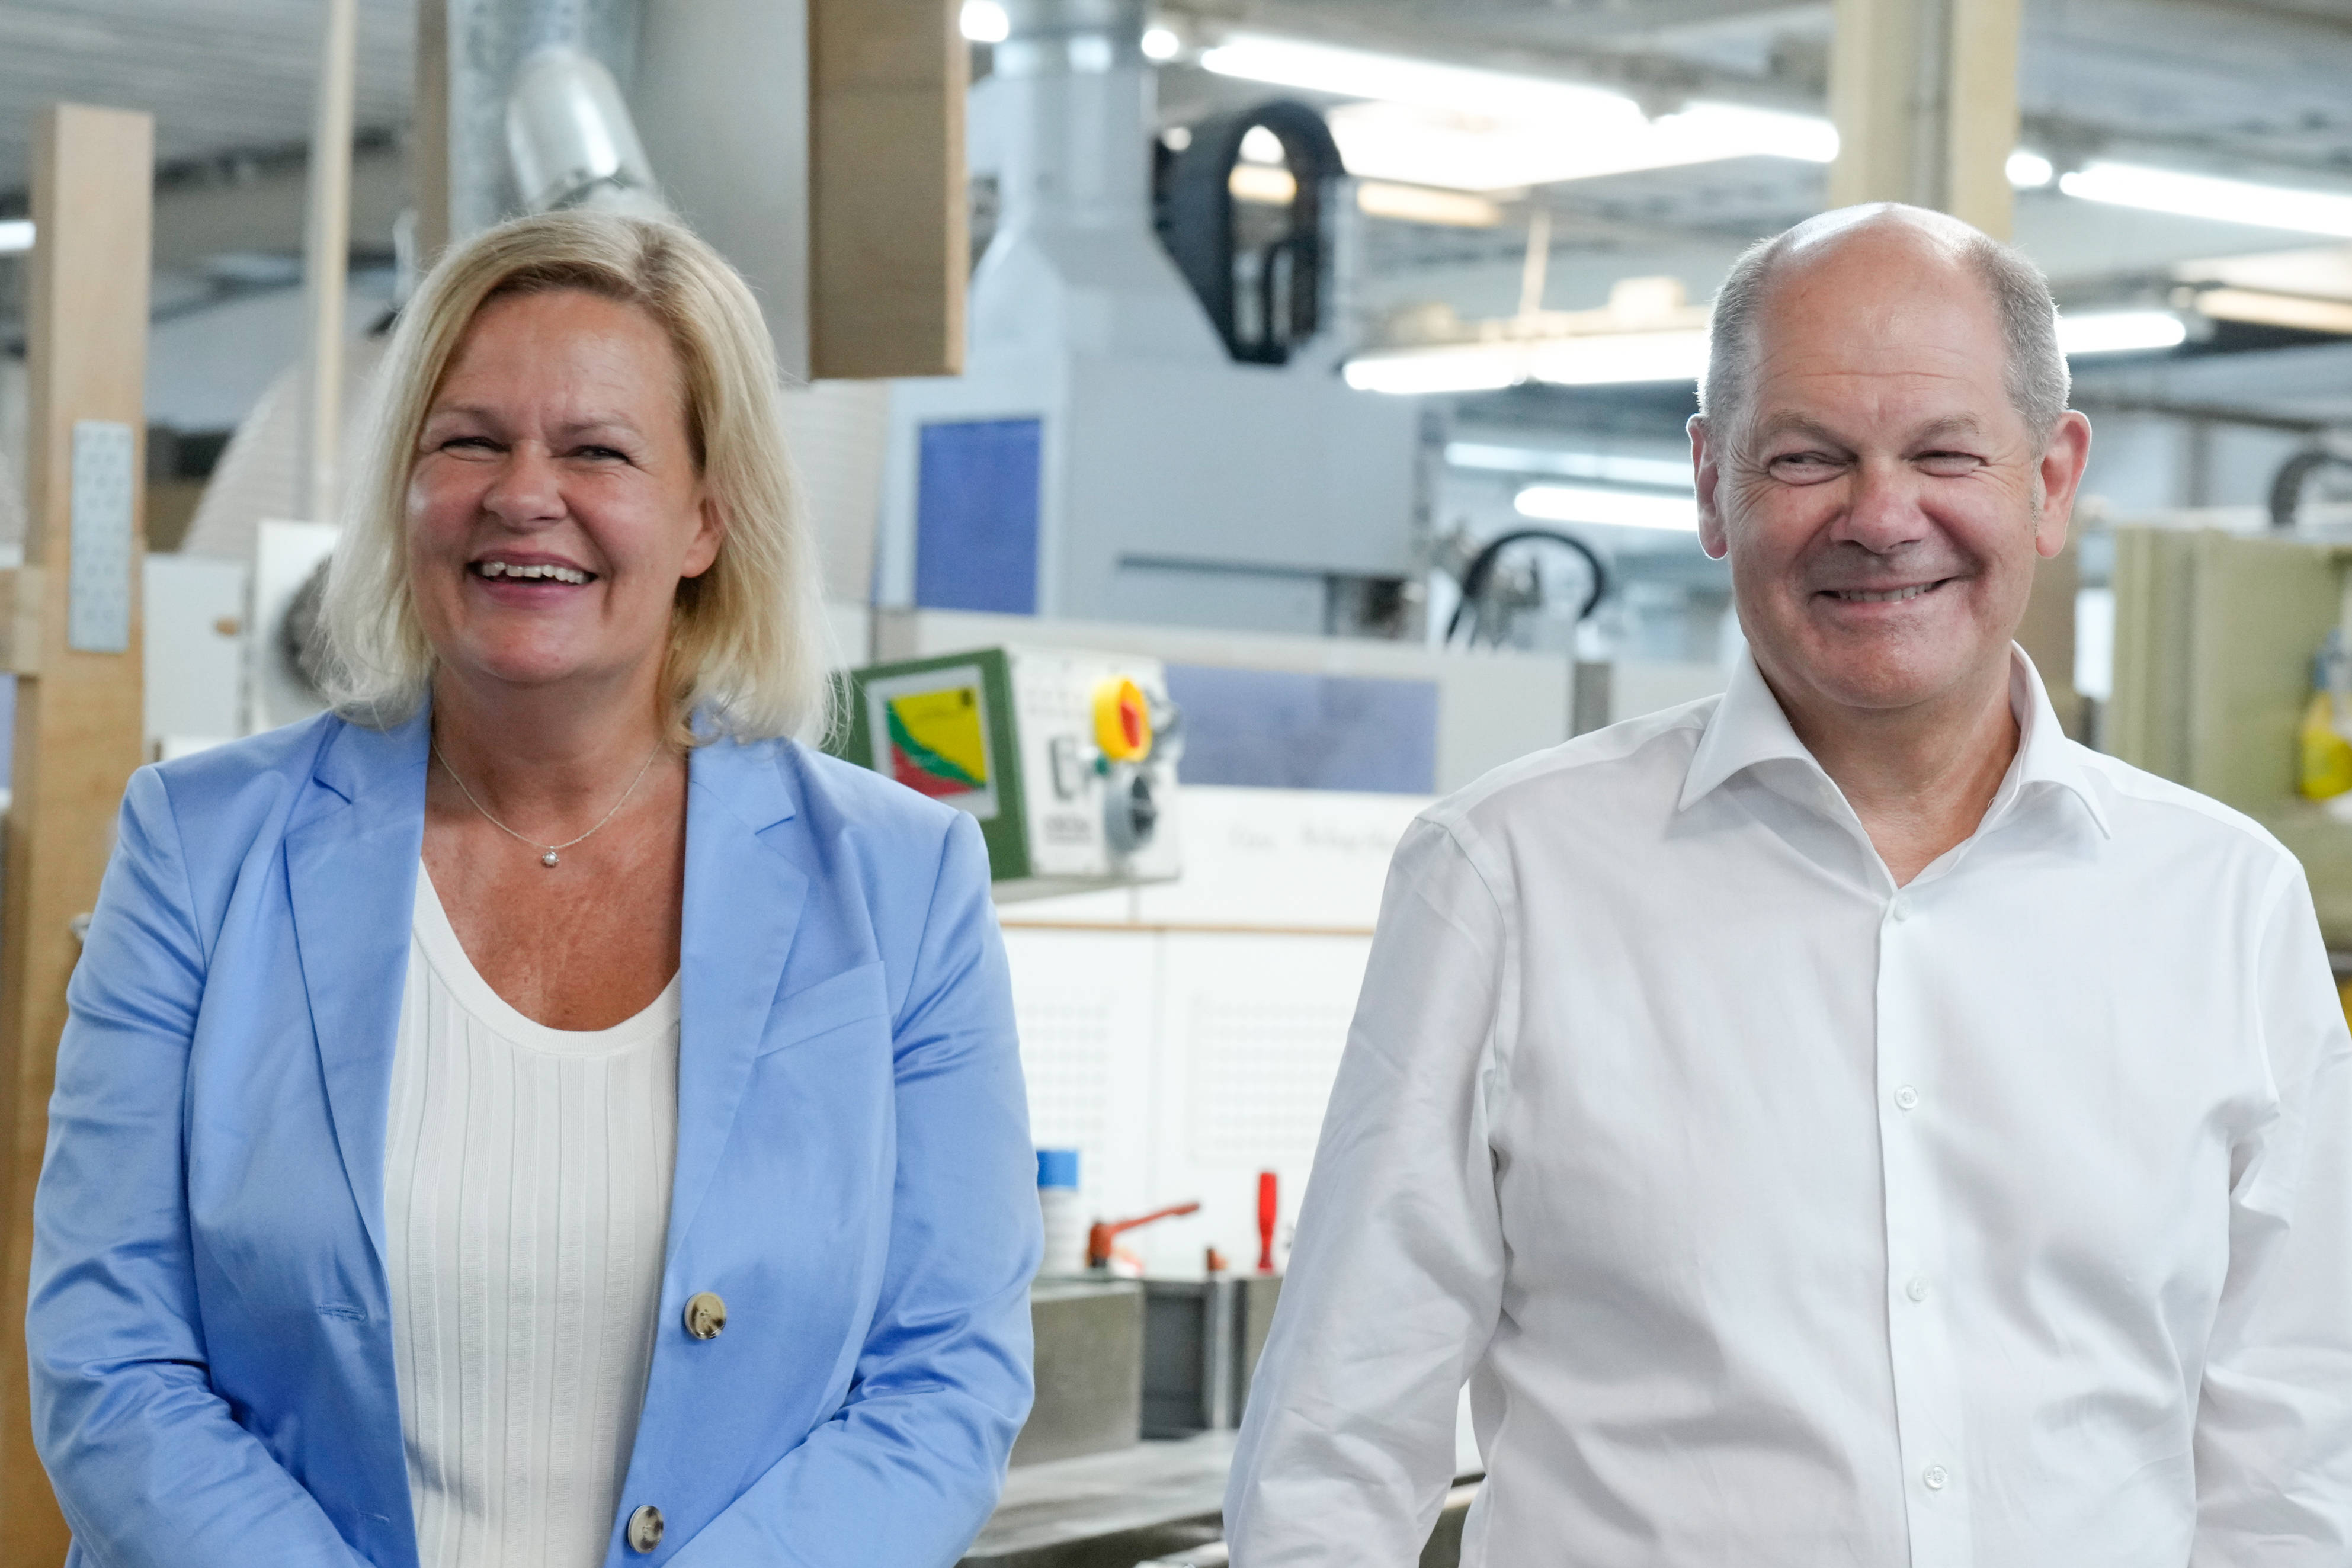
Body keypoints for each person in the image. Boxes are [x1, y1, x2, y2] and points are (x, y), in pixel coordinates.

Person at [1226, 204, 2352, 1564]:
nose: (1881, 518)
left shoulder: (2223, 907)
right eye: (1808, 458)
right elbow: (1336, 1446)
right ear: (1710, 486)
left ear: (2049, 481)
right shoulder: (1506, 879)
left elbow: (2292, 1460)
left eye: (1942, 452)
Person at [29, 211, 1040, 1568]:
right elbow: (111, 1356)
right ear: (404, 488)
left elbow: (943, 1380)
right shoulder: (197, 849)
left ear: (705, 518)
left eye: (596, 451)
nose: (522, 493)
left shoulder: (901, 886)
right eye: (468, 440)